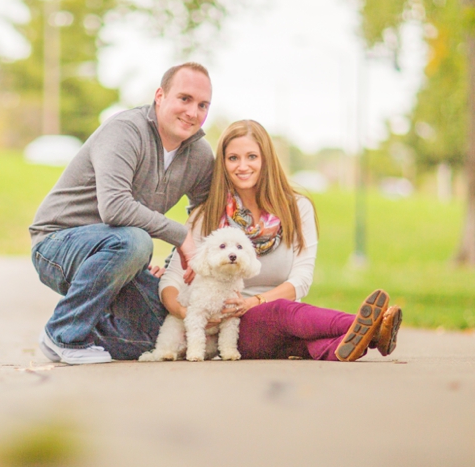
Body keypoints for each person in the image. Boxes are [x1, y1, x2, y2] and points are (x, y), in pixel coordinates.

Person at [158, 119, 402, 362]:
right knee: (282, 313)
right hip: (235, 326)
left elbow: (302, 279)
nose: (242, 166)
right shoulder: (207, 214)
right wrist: (182, 311)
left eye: (251, 156)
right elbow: (172, 279)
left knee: (295, 330)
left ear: (266, 159)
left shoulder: (297, 208)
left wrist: (255, 301)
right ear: (223, 163)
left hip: (286, 317)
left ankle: (358, 339)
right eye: (233, 158)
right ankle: (371, 325)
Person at [29, 62, 216, 364]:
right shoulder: (125, 131)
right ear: (160, 96)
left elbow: (203, 217)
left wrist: (171, 272)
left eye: (203, 104)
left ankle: (87, 332)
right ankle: (61, 335)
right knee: (135, 242)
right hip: (57, 246)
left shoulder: (200, 156)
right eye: (184, 99)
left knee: (161, 328)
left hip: (119, 253)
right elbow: (114, 207)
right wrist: (180, 236)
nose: (193, 112)